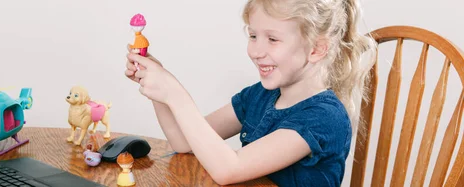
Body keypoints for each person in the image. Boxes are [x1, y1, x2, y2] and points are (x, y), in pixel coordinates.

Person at [123, 0, 376, 186]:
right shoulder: (260, 95)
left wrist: (175, 94)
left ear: (316, 49)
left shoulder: (324, 117)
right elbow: (184, 142)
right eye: (253, 35)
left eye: (272, 39)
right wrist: (158, 89)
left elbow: (228, 170)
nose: (256, 51)